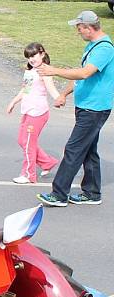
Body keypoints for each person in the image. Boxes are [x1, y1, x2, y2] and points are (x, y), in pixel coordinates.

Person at [37, 11, 114, 207]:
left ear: (89, 28)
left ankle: (59, 194)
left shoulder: (104, 48)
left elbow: (85, 73)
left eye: (79, 29)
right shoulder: (92, 46)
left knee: (73, 149)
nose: (78, 33)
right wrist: (64, 94)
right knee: (88, 150)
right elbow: (80, 77)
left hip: (94, 109)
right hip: (87, 107)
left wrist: (53, 71)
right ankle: (92, 193)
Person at [6, 43, 60, 184]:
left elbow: (51, 88)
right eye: (29, 57)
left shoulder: (44, 71)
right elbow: (25, 90)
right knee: (22, 141)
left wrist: (59, 98)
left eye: (34, 55)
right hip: (28, 111)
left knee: (28, 143)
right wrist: (13, 102)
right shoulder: (29, 71)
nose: (31, 59)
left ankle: (29, 174)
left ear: (42, 54)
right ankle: (47, 162)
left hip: (38, 112)